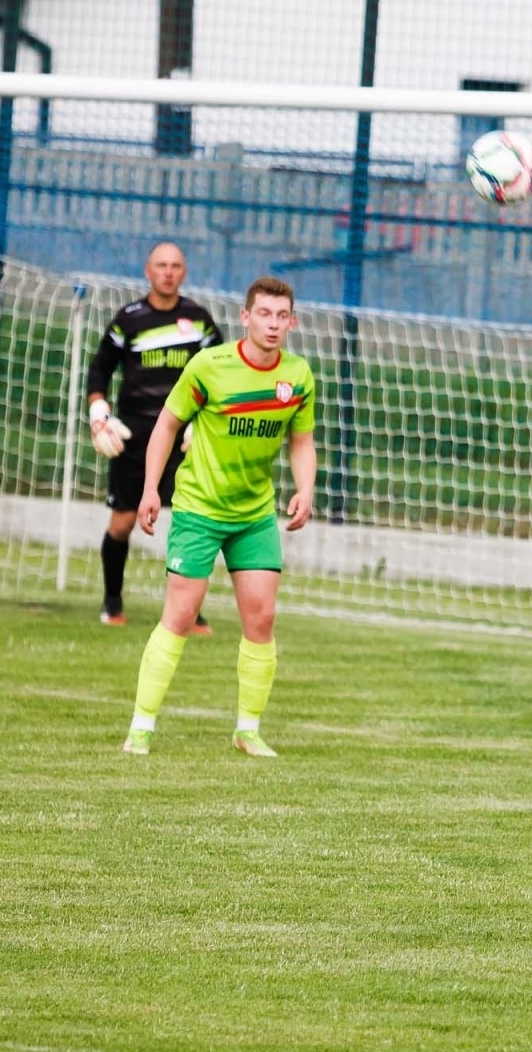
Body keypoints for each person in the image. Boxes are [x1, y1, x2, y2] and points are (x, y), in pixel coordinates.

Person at [120, 276, 317, 759]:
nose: (273, 324)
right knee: (181, 615)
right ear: (245, 318)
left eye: (281, 316)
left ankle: (247, 730)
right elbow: (168, 424)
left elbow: (301, 441)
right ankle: (141, 727)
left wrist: (306, 489)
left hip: (253, 514)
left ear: (291, 322)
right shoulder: (210, 366)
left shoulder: (298, 375)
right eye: (263, 314)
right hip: (199, 508)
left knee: (262, 617)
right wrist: (151, 488)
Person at [86, 241, 224, 631]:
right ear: (148, 270)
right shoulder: (128, 320)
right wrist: (99, 414)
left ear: (184, 272)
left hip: (185, 438)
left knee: (193, 524)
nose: (168, 272)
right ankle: (112, 602)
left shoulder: (199, 320)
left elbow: (222, 375)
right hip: (135, 434)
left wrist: (203, 421)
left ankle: (190, 612)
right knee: (123, 522)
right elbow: (99, 371)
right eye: (161, 265)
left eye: (176, 265)